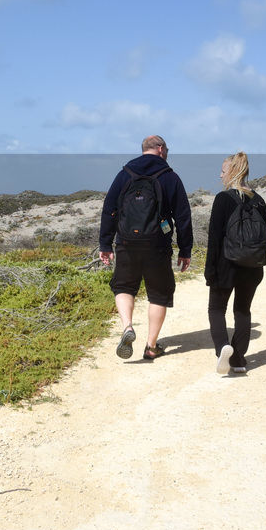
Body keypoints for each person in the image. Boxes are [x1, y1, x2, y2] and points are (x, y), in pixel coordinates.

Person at [99, 135, 193, 361]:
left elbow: (109, 209)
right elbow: (183, 216)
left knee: (124, 286)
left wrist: (105, 243)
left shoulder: (125, 174)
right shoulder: (170, 177)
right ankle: (151, 346)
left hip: (126, 242)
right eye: (167, 149)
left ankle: (128, 327)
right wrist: (185, 249)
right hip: (157, 244)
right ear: (160, 149)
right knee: (159, 294)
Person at [205, 152, 266, 375]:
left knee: (216, 309)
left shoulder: (223, 199)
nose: (219, 175)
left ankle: (223, 348)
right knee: (243, 310)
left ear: (232, 172)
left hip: (226, 265)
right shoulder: (259, 200)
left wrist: (209, 270)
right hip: (252, 267)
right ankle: (239, 359)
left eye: (222, 171)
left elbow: (214, 238)